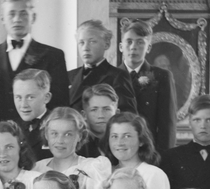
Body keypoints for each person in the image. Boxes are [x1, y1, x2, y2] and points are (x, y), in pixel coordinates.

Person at [0, 0, 70, 124]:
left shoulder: (53, 56)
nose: (17, 19)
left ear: (33, 17)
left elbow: (60, 104)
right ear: (2, 19)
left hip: (37, 135)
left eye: (23, 14)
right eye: (11, 14)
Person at [34, 106, 111, 189]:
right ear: (46, 135)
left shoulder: (91, 168)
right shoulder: (37, 169)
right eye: (54, 134)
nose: (60, 140)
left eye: (68, 134)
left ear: (79, 135)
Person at [103, 111, 172, 189]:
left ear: (141, 141)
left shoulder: (153, 174)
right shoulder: (105, 173)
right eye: (114, 136)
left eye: (127, 136)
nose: (119, 142)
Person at [120, 20, 178, 156]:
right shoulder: (110, 77)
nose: (133, 47)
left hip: (148, 152)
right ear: (121, 46)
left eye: (140, 42)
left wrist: (163, 158)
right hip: (118, 152)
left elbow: (167, 125)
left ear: (149, 47)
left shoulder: (161, 76)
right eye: (129, 41)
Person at [67, 20, 137, 116]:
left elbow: (127, 116)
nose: (85, 48)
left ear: (106, 44)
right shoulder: (69, 75)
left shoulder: (118, 76)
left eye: (92, 42)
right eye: (81, 43)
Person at [7, 68, 55, 165]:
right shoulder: (10, 127)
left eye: (30, 97)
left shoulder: (57, 125)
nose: (23, 105)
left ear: (46, 98)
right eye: (18, 97)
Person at [78, 83, 119, 159]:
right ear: (84, 115)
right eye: (94, 110)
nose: (101, 115)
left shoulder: (126, 143)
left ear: (117, 113)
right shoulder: (77, 146)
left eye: (107, 109)